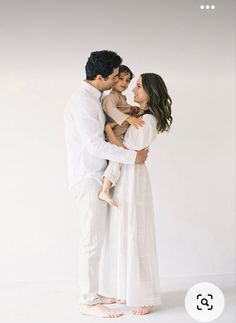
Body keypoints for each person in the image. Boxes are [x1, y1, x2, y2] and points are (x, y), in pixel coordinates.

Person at [64, 50, 149, 318]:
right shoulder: (82, 103)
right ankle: (87, 302)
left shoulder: (95, 99)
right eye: (113, 77)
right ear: (99, 76)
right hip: (88, 178)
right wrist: (132, 156)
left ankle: (94, 293)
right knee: (91, 240)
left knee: (98, 239)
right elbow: (94, 145)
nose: (116, 82)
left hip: (97, 176)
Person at [98, 73, 173, 315]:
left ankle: (144, 295)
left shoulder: (147, 121)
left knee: (136, 236)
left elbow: (125, 150)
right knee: (122, 235)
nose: (133, 90)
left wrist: (109, 129)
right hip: (126, 175)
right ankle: (124, 291)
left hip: (133, 178)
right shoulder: (138, 117)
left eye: (139, 86)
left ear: (151, 91)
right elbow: (126, 152)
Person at [99, 65, 145, 207]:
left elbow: (123, 108)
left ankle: (110, 188)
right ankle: (105, 190)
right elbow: (111, 110)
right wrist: (128, 118)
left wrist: (132, 109)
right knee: (116, 161)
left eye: (127, 80)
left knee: (119, 163)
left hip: (120, 136)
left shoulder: (121, 98)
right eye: (120, 79)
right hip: (113, 137)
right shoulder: (110, 98)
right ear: (113, 79)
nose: (124, 83)